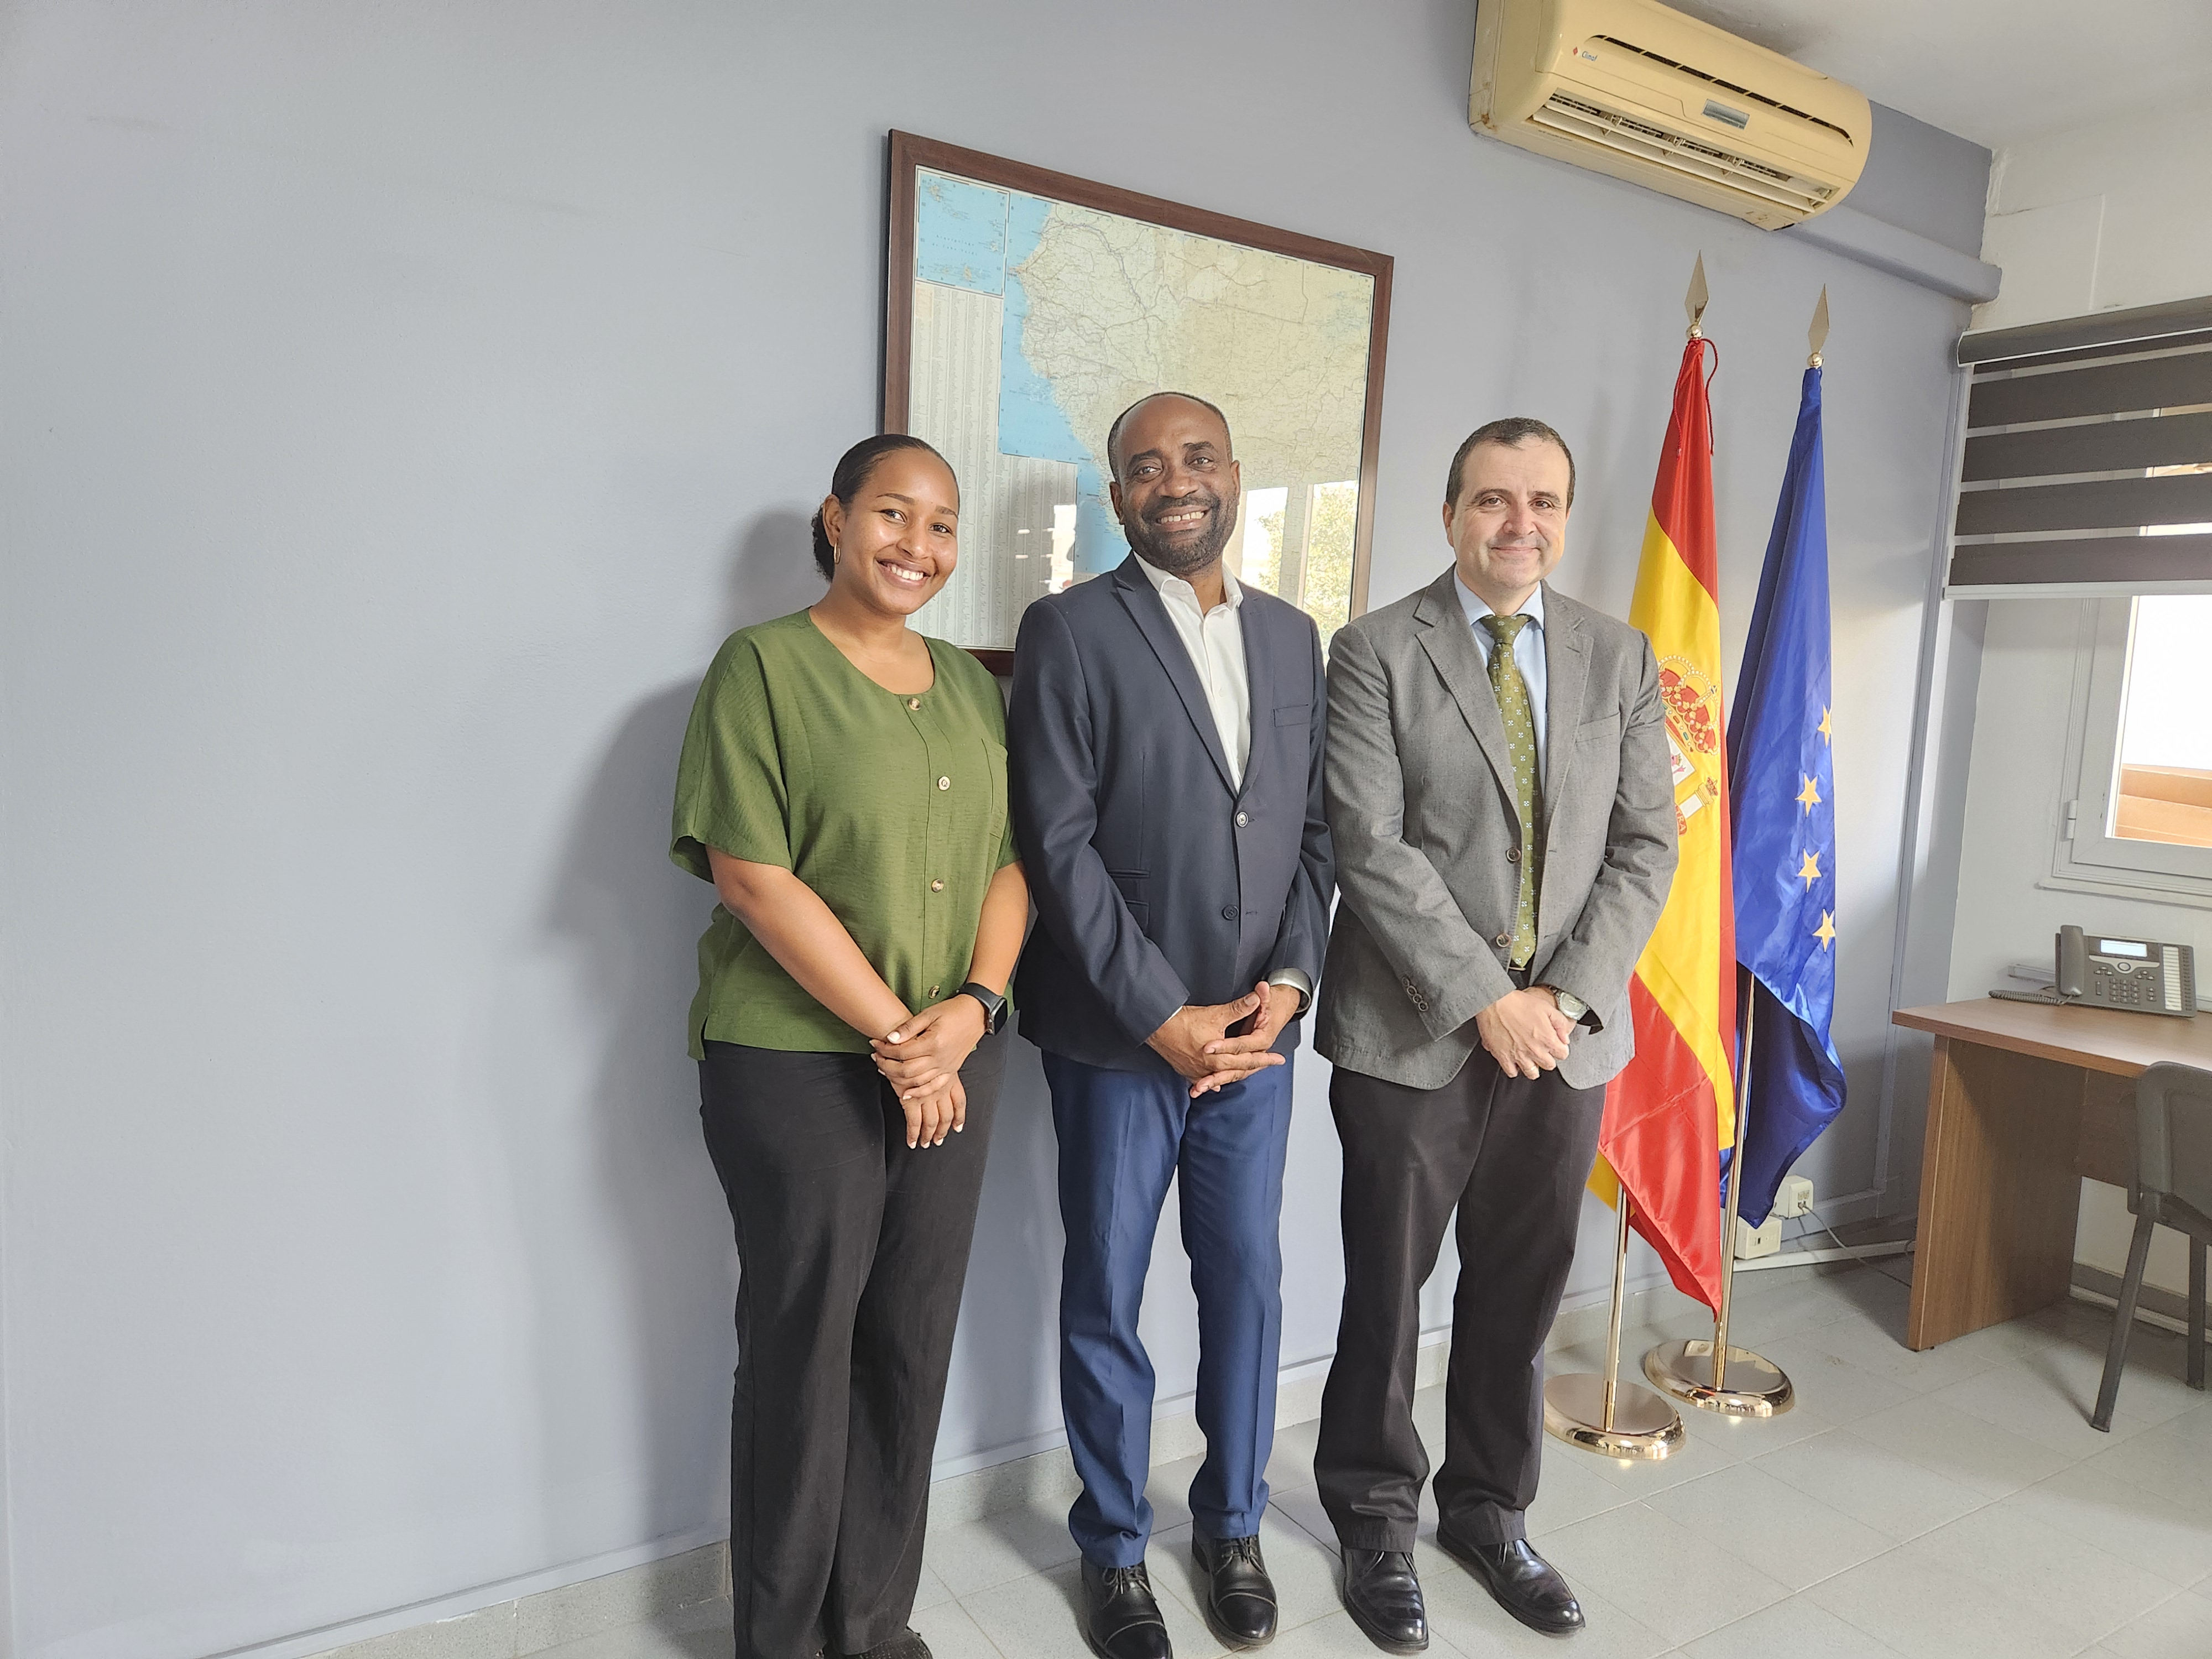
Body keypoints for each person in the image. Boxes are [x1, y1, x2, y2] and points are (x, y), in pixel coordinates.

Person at [1312, 419, 1676, 1651]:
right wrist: (1486, 997)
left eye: (1542, 501)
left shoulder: (1617, 657)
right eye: (1491, 500)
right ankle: (1371, 1520)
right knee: (1385, 1293)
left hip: (1564, 1042)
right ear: (1450, 511)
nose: (1517, 522)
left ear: (1565, 514)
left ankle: (1486, 1510)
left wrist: (1563, 999)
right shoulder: (1370, 652)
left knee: (1518, 1294)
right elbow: (1367, 845)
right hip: (1410, 1035)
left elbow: (1644, 846)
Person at [670, 434, 1029, 1659]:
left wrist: (973, 1010)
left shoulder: (977, 690)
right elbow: (752, 879)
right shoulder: (760, 668)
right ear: (835, 520)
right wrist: (899, 1037)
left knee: (907, 1344)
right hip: (792, 1063)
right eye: (891, 515)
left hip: (953, 1053)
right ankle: (777, 1641)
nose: (915, 546)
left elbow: (1009, 864)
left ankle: (871, 1628)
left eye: (939, 525)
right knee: (802, 1346)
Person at [1008, 393, 1333, 1659]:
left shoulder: (1297, 639)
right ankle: (1111, 1548)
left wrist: (1290, 988)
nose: (1173, 481)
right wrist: (1161, 1017)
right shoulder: (1067, 630)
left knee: (1245, 1284)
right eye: (1145, 468)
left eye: (1195, 458)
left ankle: (1232, 1527)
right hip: (1117, 1042)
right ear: (1117, 498)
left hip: (1255, 1040)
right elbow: (1057, 843)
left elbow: (1311, 836)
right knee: (1105, 1291)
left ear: (1234, 476)